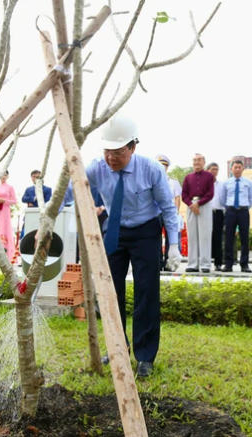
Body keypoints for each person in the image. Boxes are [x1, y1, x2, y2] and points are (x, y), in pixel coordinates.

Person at [85, 115, 180, 378]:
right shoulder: (96, 168)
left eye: (118, 153)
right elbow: (70, 185)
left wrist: (173, 244)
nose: (111, 159)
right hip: (114, 231)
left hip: (146, 232)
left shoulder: (151, 170)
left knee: (146, 293)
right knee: (109, 292)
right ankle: (117, 348)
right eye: (107, 152)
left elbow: (168, 208)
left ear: (133, 148)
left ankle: (145, 356)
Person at [218, 160, 252, 273]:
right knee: (228, 238)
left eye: (240, 167)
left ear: (243, 169)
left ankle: (244, 264)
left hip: (243, 211)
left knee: (244, 238)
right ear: (231, 169)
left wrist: (243, 207)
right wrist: (230, 208)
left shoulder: (248, 183)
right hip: (230, 211)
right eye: (235, 167)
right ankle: (228, 264)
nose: (238, 169)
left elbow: (251, 199)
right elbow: (222, 198)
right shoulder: (226, 183)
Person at [181, 153, 215, 273]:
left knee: (205, 236)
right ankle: (192, 264)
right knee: (192, 236)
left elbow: (210, 193)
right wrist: (191, 204)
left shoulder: (209, 176)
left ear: (204, 162)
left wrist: (199, 203)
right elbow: (184, 195)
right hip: (191, 206)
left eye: (199, 160)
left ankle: (205, 264)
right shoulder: (188, 177)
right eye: (194, 160)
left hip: (204, 206)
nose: (196, 162)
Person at [0, 171, 17, 265]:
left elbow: (14, 201)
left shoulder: (10, 187)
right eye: (1, 175)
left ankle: (7, 257)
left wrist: (4, 200)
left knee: (4, 231)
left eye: (5, 175)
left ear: (8, 176)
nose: (3, 177)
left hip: (5, 212)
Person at [207, 162, 225, 271]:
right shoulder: (204, 183)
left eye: (216, 169)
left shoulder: (222, 184)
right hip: (205, 212)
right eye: (212, 169)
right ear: (207, 170)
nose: (214, 171)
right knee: (205, 238)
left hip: (218, 212)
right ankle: (205, 262)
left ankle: (218, 263)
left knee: (218, 238)